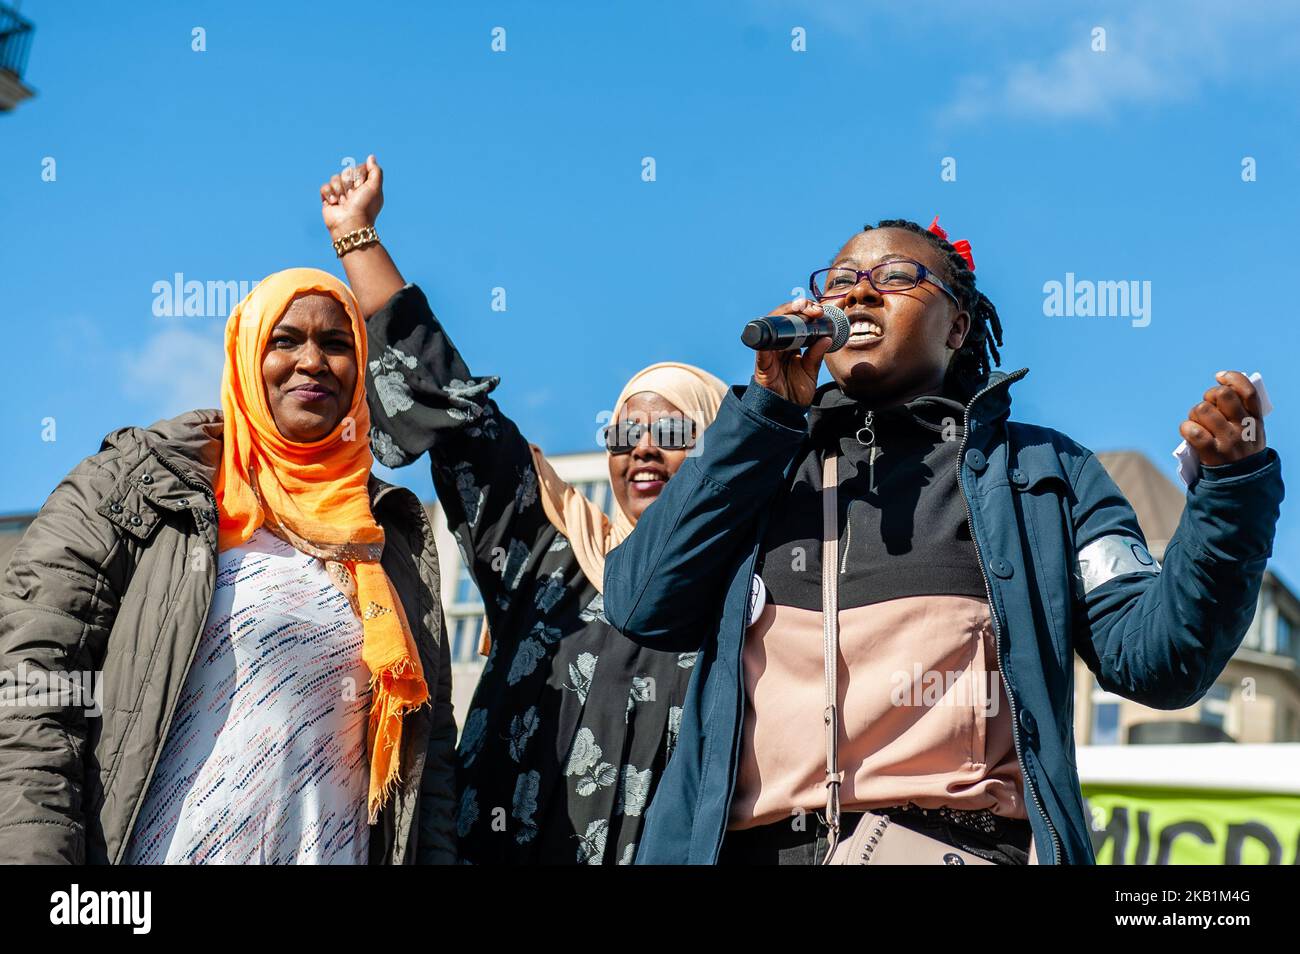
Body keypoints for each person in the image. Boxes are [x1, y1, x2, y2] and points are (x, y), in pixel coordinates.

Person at [602, 217, 1285, 865]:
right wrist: (765, 414)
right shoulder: (763, 461)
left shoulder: (1043, 476)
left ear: (957, 326)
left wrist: (1231, 491)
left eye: (896, 275)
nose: (860, 290)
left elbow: (1159, 662)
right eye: (839, 280)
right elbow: (640, 605)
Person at [319, 156, 728, 864]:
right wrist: (358, 236)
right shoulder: (549, 554)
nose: (642, 453)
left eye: (670, 434)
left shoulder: (747, 597)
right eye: (624, 435)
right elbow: (455, 411)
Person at [0, 268, 457, 864]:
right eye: (285, 340)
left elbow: (434, 766)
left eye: (337, 344)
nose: (312, 361)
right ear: (245, 354)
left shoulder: (390, 542)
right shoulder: (136, 486)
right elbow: (34, 682)